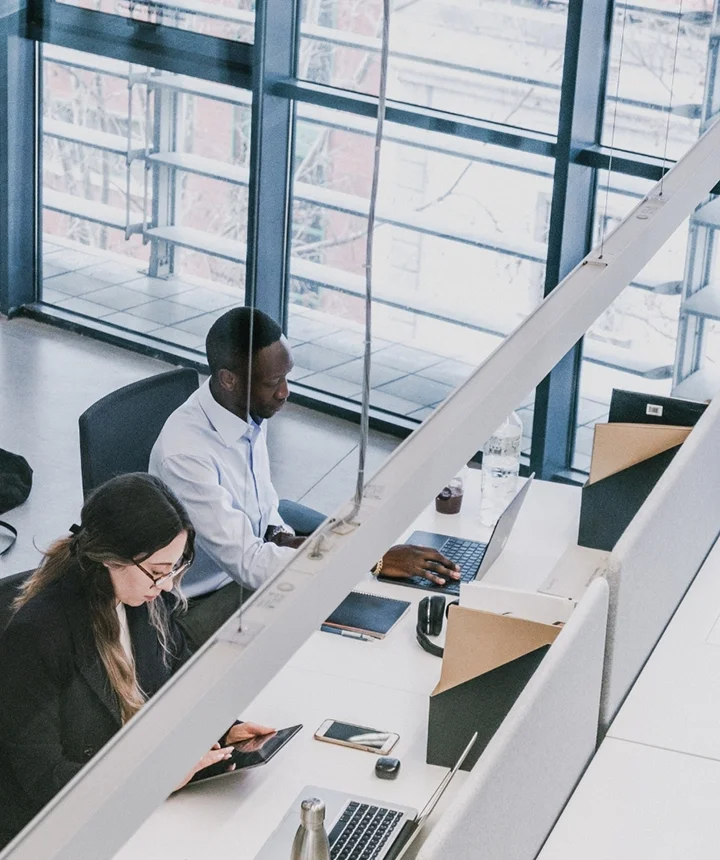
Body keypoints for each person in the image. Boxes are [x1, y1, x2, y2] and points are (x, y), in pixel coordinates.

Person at [149, 307, 460, 650]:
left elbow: (265, 510)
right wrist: (369, 558)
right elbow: (250, 566)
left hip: (251, 553)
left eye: (286, 377)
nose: (284, 392)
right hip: (201, 600)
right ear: (228, 379)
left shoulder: (243, 410)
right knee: (325, 604)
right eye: (273, 383)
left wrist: (294, 539)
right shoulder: (187, 456)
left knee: (342, 544)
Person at [0, 474, 273, 850]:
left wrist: (223, 730)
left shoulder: (140, 595)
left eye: (175, 568)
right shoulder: (39, 635)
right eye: (159, 571)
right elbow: (46, 782)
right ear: (110, 557)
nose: (166, 584)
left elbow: (180, 675)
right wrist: (154, 779)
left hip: (136, 797)